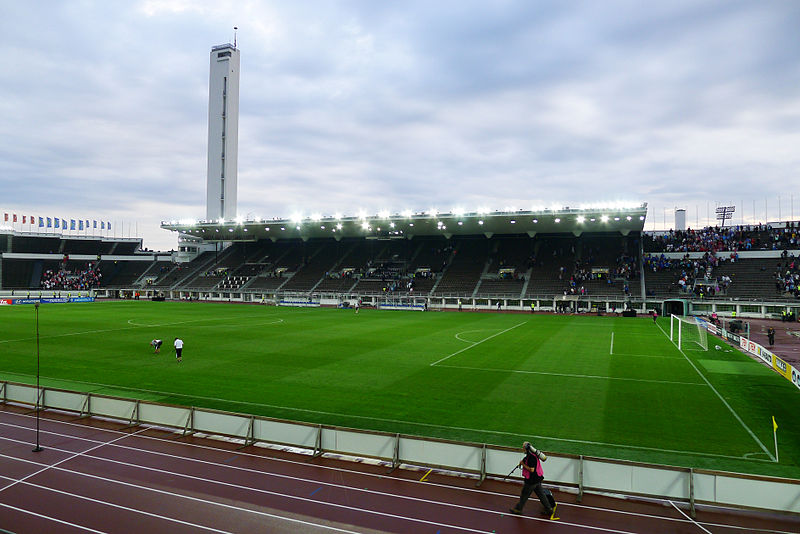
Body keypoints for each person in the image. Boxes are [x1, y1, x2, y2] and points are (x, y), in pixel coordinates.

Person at [509, 441, 554, 517]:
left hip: (531, 480)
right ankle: (549, 509)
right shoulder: (532, 455)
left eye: (523, 447)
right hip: (537, 479)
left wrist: (523, 464)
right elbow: (527, 460)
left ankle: (518, 509)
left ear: (526, 448)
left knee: (524, 494)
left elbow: (532, 469)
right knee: (541, 494)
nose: (522, 448)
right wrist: (523, 462)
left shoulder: (531, 457)